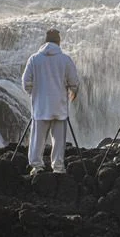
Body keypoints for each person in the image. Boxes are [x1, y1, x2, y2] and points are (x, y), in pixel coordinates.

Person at [22, 28, 80, 175]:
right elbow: (74, 82)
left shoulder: (34, 59)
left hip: (40, 107)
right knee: (59, 140)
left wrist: (34, 93)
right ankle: (58, 168)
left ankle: (36, 166)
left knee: (37, 139)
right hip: (59, 107)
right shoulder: (65, 59)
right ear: (58, 42)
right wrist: (72, 91)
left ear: (45, 41)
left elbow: (25, 82)